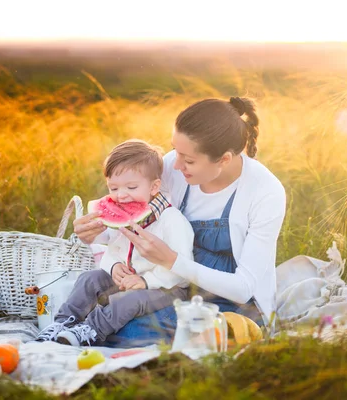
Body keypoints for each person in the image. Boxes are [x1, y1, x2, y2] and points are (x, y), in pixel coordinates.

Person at [74, 97, 286, 347]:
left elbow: (243, 288)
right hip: (172, 286)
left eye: (189, 160)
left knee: (124, 332)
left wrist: (172, 260)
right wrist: (96, 233)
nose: (175, 164)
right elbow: (139, 220)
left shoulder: (265, 192)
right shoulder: (173, 167)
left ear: (224, 159)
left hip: (233, 303)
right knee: (109, 316)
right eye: (175, 150)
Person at [36, 139, 194, 346]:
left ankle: (91, 331)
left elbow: (182, 269)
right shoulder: (127, 216)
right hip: (130, 276)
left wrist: (147, 282)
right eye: (113, 188)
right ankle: (62, 323)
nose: (121, 195)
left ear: (155, 186)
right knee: (89, 278)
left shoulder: (172, 220)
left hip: (167, 287)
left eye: (131, 186)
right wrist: (114, 266)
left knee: (129, 300)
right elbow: (114, 248)